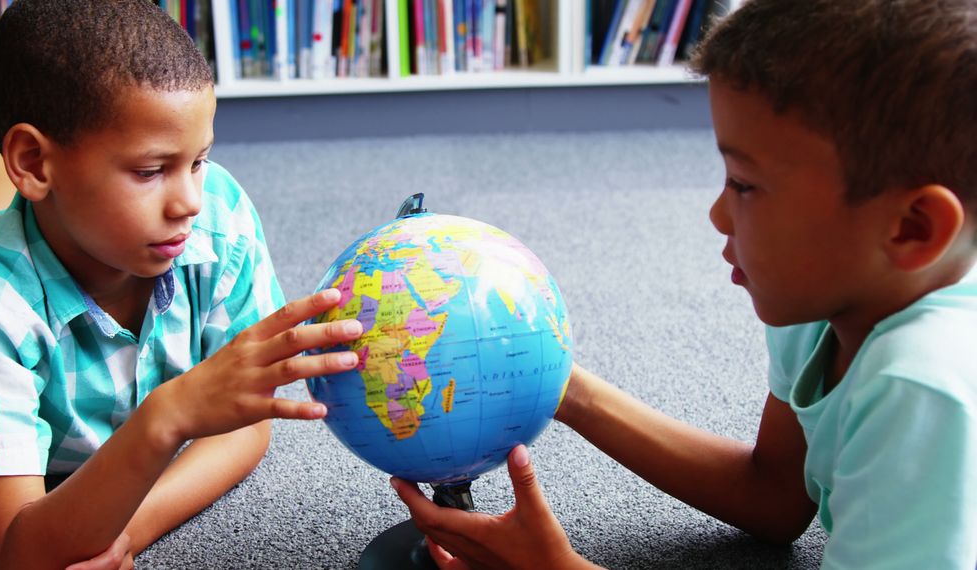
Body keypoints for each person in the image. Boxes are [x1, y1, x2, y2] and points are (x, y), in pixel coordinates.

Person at [391, 0, 977, 567]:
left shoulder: (924, 386)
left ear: (912, 229)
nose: (717, 215)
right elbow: (775, 498)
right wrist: (559, 384)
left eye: (744, 185)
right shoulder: (827, 307)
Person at [0, 1, 363, 568]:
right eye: (149, 171)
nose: (190, 203)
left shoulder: (216, 214)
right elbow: (17, 555)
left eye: (199, 160)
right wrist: (167, 416)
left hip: (52, 223)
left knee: (24, 218)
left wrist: (129, 528)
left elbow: (247, 425)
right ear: (35, 160)